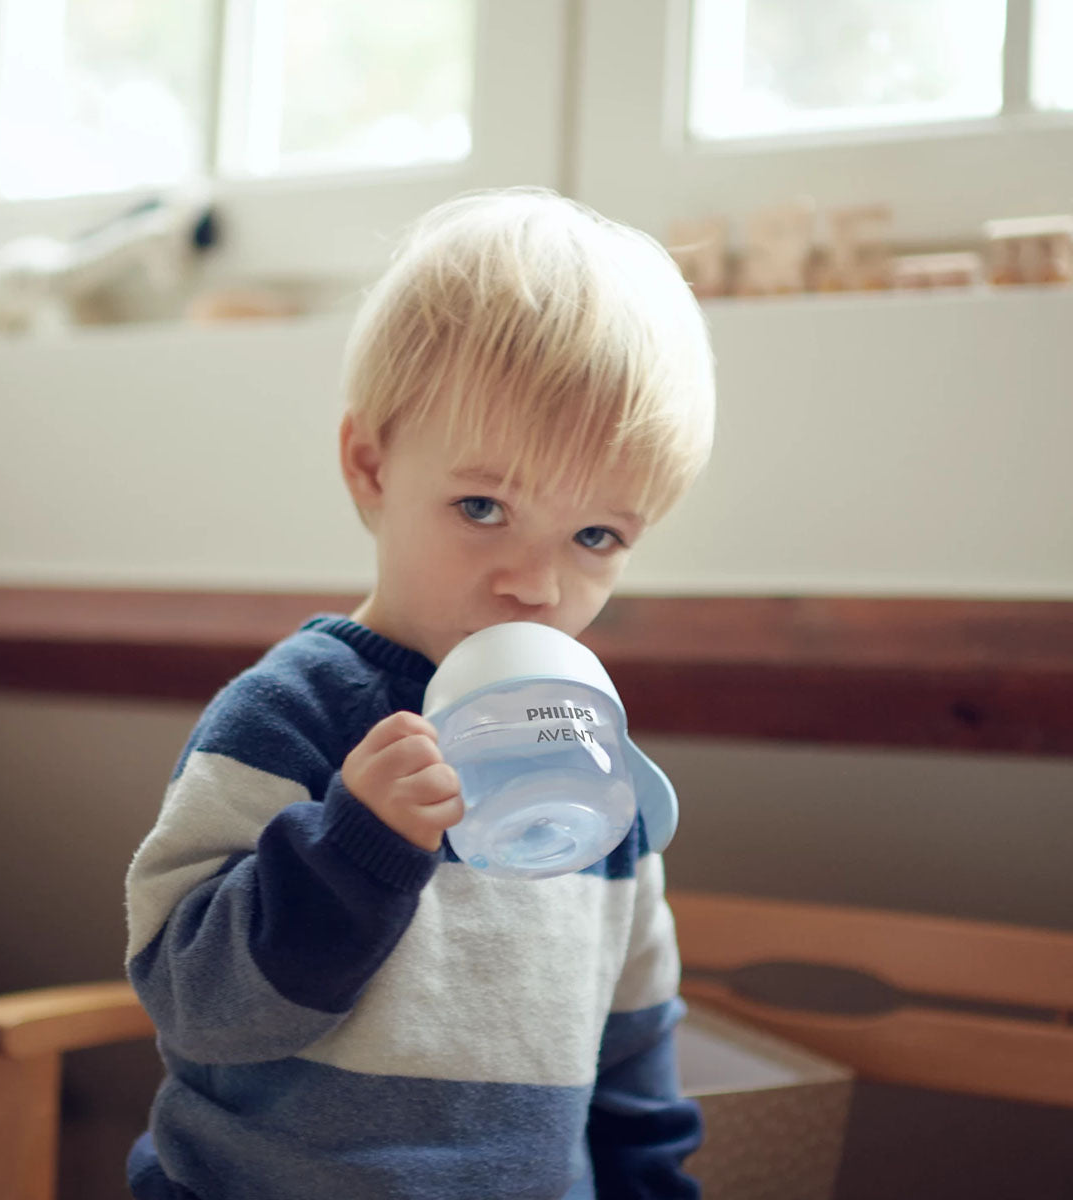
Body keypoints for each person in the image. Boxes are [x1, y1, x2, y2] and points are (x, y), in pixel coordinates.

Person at [124, 187, 716, 1200]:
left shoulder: (593, 770)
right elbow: (194, 999)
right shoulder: (292, 717)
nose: (536, 582)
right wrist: (355, 852)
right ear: (370, 466)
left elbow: (633, 1069)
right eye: (483, 506)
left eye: (595, 538)